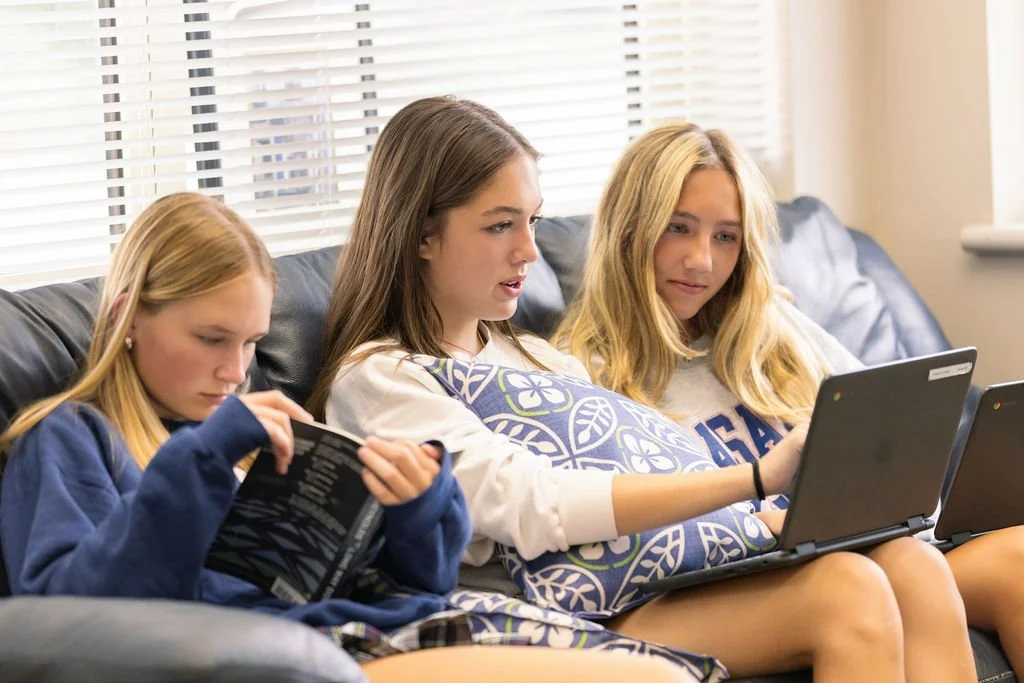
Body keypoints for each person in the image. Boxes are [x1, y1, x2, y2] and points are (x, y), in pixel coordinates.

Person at [311, 96, 912, 682]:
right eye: (500, 226)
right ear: (421, 235)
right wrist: (755, 483)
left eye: (532, 221)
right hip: (550, 618)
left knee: (877, 575)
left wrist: (761, 526)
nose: (528, 251)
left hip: (646, 580)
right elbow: (533, 503)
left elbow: (641, 468)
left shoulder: (537, 359)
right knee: (847, 595)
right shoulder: (383, 377)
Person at [0, 192, 696, 683]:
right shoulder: (69, 438)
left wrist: (417, 507)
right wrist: (203, 457)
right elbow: (72, 618)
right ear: (127, 316)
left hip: (361, 629)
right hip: (305, 654)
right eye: (211, 338)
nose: (234, 370)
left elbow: (399, 582)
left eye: (250, 343)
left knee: (663, 667)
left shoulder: (246, 437)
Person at [557, 121, 1024, 680]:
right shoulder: (579, 372)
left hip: (848, 547)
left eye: (725, 236)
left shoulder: (772, 327)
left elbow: (888, 433)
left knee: (1008, 557)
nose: (702, 261)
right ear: (630, 227)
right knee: (897, 566)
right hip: (726, 581)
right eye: (678, 228)